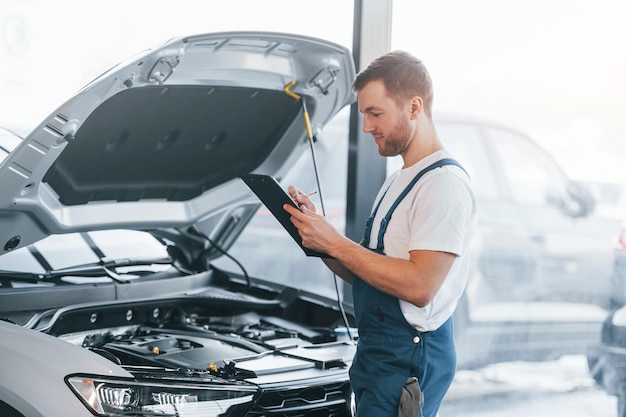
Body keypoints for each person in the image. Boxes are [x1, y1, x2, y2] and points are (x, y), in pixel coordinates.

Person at [283, 50, 477, 417]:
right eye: (364, 115)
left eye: (376, 113)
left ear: (414, 107)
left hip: (408, 361)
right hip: (379, 357)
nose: (367, 127)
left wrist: (337, 243)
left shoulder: (443, 184)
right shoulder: (397, 180)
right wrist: (318, 235)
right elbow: (367, 270)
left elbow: (420, 286)